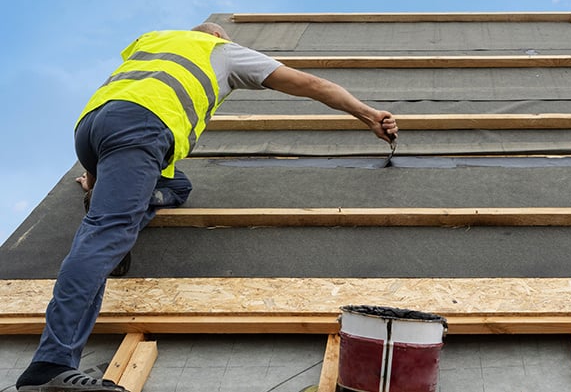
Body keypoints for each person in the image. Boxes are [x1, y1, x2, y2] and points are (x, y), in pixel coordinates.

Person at [16, 22, 398, 392]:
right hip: (142, 128)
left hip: (92, 128)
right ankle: (51, 366)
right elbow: (311, 84)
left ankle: (108, 195)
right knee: (105, 234)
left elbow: (125, 101)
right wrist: (368, 115)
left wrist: (96, 179)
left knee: (178, 185)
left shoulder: (154, 41)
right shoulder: (221, 51)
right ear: (217, 34)